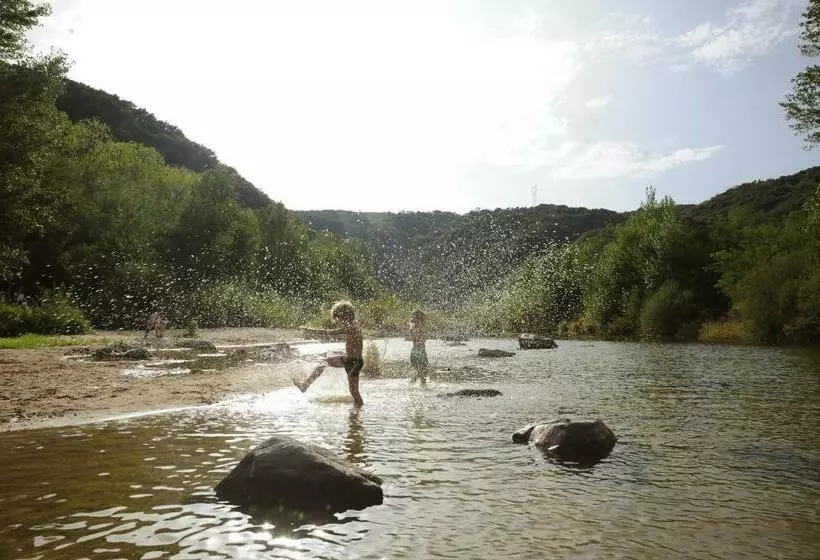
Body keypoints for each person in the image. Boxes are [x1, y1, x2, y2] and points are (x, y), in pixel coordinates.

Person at [293, 300, 364, 407]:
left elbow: (331, 333)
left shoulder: (353, 326)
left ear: (345, 315)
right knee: (324, 363)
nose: (338, 321)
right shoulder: (351, 325)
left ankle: (357, 412)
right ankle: (305, 386)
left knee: (354, 391)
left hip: (355, 362)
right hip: (348, 360)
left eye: (339, 318)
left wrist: (311, 330)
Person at [408, 309, 429, 386]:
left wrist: (418, 342)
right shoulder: (417, 326)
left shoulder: (418, 327)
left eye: (413, 315)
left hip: (418, 350)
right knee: (420, 371)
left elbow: (423, 339)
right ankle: (413, 384)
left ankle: (412, 385)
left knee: (419, 371)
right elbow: (422, 339)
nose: (411, 317)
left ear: (417, 317)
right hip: (419, 350)